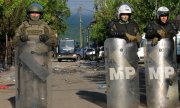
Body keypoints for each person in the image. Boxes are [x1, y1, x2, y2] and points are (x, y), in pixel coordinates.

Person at [13, 2, 57, 108]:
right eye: (32, 13)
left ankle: (42, 105)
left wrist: (47, 39)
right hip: (27, 62)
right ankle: (26, 105)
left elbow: (54, 41)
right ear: (28, 14)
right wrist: (21, 39)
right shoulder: (23, 27)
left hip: (42, 61)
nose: (34, 15)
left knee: (41, 86)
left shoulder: (45, 27)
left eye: (36, 13)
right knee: (27, 86)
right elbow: (14, 41)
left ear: (40, 14)